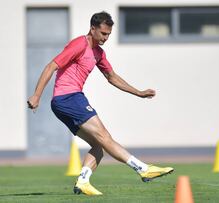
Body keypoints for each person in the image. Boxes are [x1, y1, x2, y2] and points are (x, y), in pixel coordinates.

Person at [27, 11, 174, 196]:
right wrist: (36, 95)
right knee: (105, 136)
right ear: (93, 28)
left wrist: (138, 92)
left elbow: (111, 77)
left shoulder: (98, 53)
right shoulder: (79, 44)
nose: (106, 38)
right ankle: (143, 169)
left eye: (109, 35)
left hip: (64, 103)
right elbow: (51, 66)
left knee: (98, 146)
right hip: (69, 98)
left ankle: (83, 181)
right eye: (103, 33)